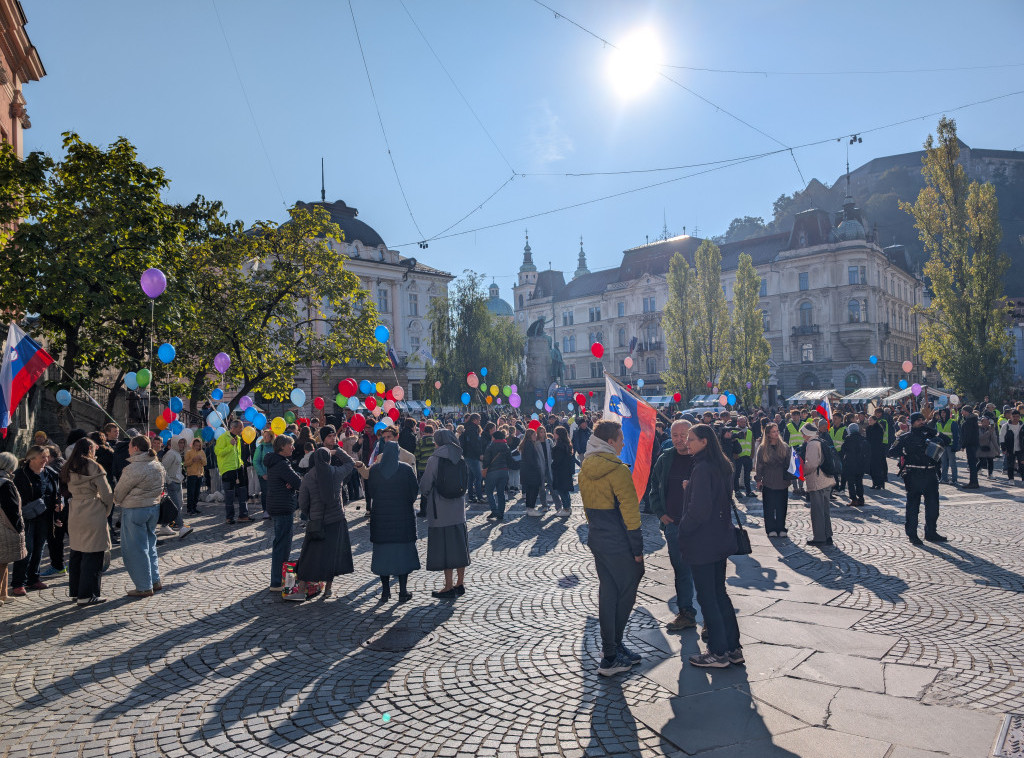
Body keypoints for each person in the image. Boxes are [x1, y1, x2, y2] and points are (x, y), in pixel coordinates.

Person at [579, 420, 644, 677]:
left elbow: (586, 509)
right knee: (627, 587)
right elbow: (631, 513)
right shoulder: (617, 470)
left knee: (609, 592)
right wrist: (637, 548)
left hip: (598, 537)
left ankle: (613, 648)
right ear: (610, 441)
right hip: (618, 540)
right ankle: (610, 653)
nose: (624, 443)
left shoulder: (585, 468)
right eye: (621, 438)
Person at [678, 424, 742, 668]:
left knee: (708, 597)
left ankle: (718, 651)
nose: (687, 443)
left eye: (692, 439)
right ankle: (733, 647)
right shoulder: (721, 464)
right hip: (719, 539)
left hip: (704, 542)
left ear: (705, 442)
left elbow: (700, 510)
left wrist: (684, 527)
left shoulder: (703, 468)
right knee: (719, 593)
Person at [648, 419, 698, 631]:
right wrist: (661, 514)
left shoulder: (701, 459)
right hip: (674, 525)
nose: (679, 439)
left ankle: (711, 620)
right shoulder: (665, 458)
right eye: (675, 435)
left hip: (700, 527)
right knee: (681, 570)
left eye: (684, 435)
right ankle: (686, 612)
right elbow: (654, 487)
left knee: (705, 572)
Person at [288, 447, 356, 601]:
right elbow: (350, 463)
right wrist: (337, 451)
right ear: (328, 459)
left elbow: (303, 502)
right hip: (336, 520)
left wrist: (311, 513)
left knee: (309, 556)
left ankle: (301, 591)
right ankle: (328, 589)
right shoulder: (336, 472)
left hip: (316, 522)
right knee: (331, 555)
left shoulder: (308, 477)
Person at [61, 438, 114, 605]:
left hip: (75, 510)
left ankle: (76, 591)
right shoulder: (94, 466)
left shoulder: (68, 466)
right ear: (90, 448)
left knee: (77, 552)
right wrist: (106, 511)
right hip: (92, 509)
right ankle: (87, 594)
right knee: (94, 553)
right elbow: (107, 493)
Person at [367, 442, 420, 603]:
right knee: (402, 557)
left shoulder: (375, 470)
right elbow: (413, 491)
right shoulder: (405, 469)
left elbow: (371, 492)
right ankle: (403, 591)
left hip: (381, 519)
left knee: (383, 558)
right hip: (402, 519)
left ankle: (385, 592)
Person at [113, 435, 166, 597]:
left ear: (135, 448)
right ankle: (154, 580)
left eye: (129, 446)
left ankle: (144, 585)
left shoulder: (133, 468)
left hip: (135, 510)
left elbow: (119, 492)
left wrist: (116, 500)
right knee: (150, 545)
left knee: (136, 549)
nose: (128, 449)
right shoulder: (157, 464)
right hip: (153, 508)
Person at [420, 429, 470, 598]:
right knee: (459, 546)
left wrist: (426, 494)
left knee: (445, 548)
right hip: (458, 509)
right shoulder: (460, 456)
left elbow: (426, 483)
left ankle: (448, 586)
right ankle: (460, 583)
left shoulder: (435, 458)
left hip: (440, 510)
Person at [889, 412, 948, 545]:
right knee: (913, 507)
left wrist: (933, 432)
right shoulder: (905, 437)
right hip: (914, 473)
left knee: (933, 506)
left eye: (923, 419)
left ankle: (931, 532)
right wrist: (905, 451)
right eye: (918, 420)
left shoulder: (931, 434)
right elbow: (891, 451)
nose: (921, 422)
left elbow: (947, 441)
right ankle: (912, 534)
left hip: (930, 474)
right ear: (913, 422)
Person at [11, 446, 58, 595]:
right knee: (27, 549)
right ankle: (18, 582)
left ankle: (33, 578)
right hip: (28, 517)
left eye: (47, 457)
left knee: (39, 548)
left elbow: (56, 492)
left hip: (45, 517)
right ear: (31, 459)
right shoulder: (20, 475)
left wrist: (59, 502)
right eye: (42, 457)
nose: (46, 460)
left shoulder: (50, 473)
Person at [264, 435, 303, 592]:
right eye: (290, 445)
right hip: (282, 506)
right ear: (282, 447)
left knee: (280, 543)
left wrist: (291, 484)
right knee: (282, 545)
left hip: (277, 505)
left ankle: (277, 579)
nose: (293, 448)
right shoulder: (281, 464)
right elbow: (298, 482)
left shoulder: (276, 462)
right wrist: (292, 484)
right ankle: (277, 582)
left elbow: (293, 482)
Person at [754, 423, 792, 537]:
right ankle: (771, 528)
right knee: (769, 506)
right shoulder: (763, 448)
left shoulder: (784, 446)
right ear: (768, 434)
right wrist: (759, 479)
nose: (776, 433)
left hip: (782, 480)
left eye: (777, 431)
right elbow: (759, 465)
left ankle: (781, 528)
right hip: (769, 479)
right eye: (774, 431)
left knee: (781, 506)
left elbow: (789, 462)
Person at [801, 423, 834, 547]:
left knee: (817, 511)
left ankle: (820, 537)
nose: (802, 435)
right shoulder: (820, 440)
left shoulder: (812, 444)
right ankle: (827, 534)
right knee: (825, 510)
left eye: (803, 433)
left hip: (817, 481)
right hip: (826, 479)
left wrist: (803, 471)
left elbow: (811, 465)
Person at [0, 452, 26, 604]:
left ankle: (3, 594)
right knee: (2, 562)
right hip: (4, 526)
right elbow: (12, 508)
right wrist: (18, 527)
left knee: (3, 562)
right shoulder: (6, 483)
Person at [215, 419, 250, 524]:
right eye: (240, 427)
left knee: (243, 492)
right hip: (228, 470)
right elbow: (218, 452)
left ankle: (243, 515)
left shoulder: (238, 438)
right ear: (233, 428)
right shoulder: (223, 438)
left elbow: (237, 454)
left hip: (239, 468)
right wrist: (230, 446)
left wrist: (241, 463)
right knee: (230, 495)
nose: (242, 429)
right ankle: (229, 517)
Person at [159, 436, 192, 538]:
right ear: (174, 443)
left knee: (179, 504)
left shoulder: (177, 453)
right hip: (172, 483)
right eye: (180, 443)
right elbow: (162, 469)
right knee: (175, 506)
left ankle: (164, 526)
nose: (181, 445)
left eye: (183, 443)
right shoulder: (171, 454)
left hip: (177, 482)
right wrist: (169, 482)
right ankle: (181, 527)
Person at [482, 429, 513, 521]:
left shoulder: (491, 446)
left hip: (493, 471)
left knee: (489, 491)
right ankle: (501, 513)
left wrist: (485, 467)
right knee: (501, 492)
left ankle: (494, 510)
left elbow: (486, 460)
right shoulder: (506, 446)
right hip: (504, 471)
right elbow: (510, 460)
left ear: (494, 437)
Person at [840, 423, 870, 507]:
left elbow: (843, 450)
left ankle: (854, 499)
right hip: (860, 464)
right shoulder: (862, 439)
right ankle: (861, 499)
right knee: (859, 482)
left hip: (850, 464)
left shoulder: (848, 439)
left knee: (850, 482)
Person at [519, 428, 545, 516]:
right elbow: (531, 460)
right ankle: (531, 508)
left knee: (530, 491)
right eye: (534, 435)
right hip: (531, 472)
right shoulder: (529, 445)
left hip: (527, 472)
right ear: (530, 436)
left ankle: (529, 508)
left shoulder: (526, 444)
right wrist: (537, 468)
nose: (536, 436)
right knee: (533, 491)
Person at [459, 414, 485, 504]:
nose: (480, 421)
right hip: (473, 456)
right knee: (478, 477)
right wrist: (480, 454)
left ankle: (471, 496)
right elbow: (475, 444)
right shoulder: (473, 429)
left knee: (471, 477)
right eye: (479, 419)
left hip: (467, 455)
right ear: (474, 420)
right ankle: (479, 497)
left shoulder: (468, 428)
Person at [550, 426, 574, 515]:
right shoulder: (566, 444)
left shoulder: (560, 446)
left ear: (559, 435)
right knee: (565, 490)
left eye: (555, 433)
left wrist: (553, 466)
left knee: (562, 490)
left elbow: (558, 460)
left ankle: (566, 508)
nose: (554, 434)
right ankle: (567, 507)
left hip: (560, 471)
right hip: (565, 470)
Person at [934, 408, 961, 486]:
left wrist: (955, 446)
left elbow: (956, 436)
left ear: (947, 413)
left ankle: (954, 479)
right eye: (941, 413)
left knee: (952, 463)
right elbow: (936, 434)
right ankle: (944, 479)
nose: (942, 414)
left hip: (950, 445)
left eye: (944, 412)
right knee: (943, 463)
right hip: (942, 446)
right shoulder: (938, 423)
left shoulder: (952, 423)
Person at [731, 416, 755, 498]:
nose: (743, 423)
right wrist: (734, 455)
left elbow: (752, 443)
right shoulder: (733, 431)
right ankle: (737, 491)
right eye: (741, 422)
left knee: (747, 475)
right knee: (737, 475)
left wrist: (752, 454)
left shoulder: (749, 431)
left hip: (747, 456)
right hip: (738, 456)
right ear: (737, 422)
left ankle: (749, 491)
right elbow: (732, 444)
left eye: (744, 422)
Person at [253, 429, 275, 518]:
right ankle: (265, 510)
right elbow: (256, 461)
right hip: (264, 475)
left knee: (273, 492)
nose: (265, 438)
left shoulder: (275, 447)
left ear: (271, 437)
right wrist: (262, 474)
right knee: (265, 492)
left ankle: (273, 509)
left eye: (267, 436)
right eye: (264, 436)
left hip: (274, 474)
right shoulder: (260, 447)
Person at [959, 405, 980, 489]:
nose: (962, 413)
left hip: (970, 445)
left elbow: (967, 435)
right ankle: (974, 482)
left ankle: (973, 482)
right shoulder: (973, 420)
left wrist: (963, 445)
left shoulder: (968, 422)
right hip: (974, 444)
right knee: (972, 465)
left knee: (972, 465)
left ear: (967, 412)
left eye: (963, 411)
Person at [866, 415, 888, 489]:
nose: (869, 421)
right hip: (870, 450)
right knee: (871, 468)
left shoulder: (879, 428)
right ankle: (874, 483)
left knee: (878, 468)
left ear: (875, 421)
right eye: (869, 420)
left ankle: (880, 484)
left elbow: (877, 440)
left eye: (871, 420)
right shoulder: (868, 428)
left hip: (877, 451)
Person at [184, 438, 206, 515]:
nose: (197, 447)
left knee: (197, 493)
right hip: (191, 475)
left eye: (198, 445)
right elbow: (185, 464)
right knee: (191, 493)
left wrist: (201, 459)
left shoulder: (202, 452)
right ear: (193, 445)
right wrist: (192, 460)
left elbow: (205, 463)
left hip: (200, 475)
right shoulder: (189, 452)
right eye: (196, 445)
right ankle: (189, 509)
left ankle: (194, 507)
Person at [1001, 409, 1024, 481]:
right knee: (1010, 465)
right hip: (1010, 448)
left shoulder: (1022, 426)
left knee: (1022, 465)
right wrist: (1003, 448)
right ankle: (1011, 479)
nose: (1015, 418)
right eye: (1014, 416)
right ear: (1011, 416)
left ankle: (1023, 479)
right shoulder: (1006, 426)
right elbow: (1001, 437)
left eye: (1017, 416)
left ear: (1019, 417)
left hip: (1020, 449)